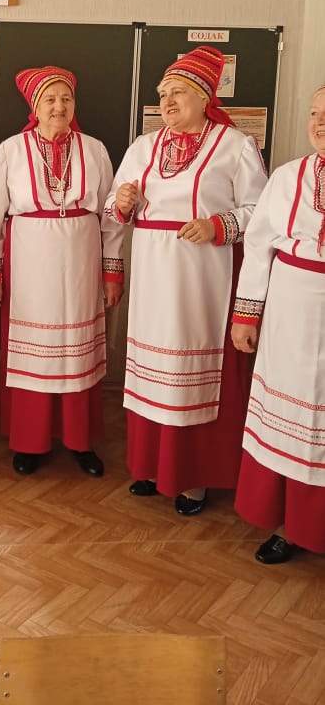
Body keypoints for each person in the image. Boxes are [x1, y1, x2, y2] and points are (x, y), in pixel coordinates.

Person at [105, 46, 267, 515]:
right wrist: (123, 203)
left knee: (190, 375)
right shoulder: (143, 147)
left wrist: (218, 226)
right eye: (163, 94)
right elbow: (113, 207)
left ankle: (193, 478)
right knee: (151, 370)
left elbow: (260, 212)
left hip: (202, 277)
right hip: (153, 274)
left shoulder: (235, 146)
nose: (168, 102)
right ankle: (151, 467)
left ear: (204, 97)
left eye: (178, 92)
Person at [0, 66, 125, 478]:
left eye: (66, 98)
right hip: (29, 265)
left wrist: (112, 272)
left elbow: (111, 216)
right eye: (50, 99)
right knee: (34, 350)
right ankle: (30, 441)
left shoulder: (94, 149)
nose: (59, 106)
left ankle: (79, 440)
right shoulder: (11, 149)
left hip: (81, 264)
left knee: (77, 347)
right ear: (34, 107)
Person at [230, 84, 325, 563]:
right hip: (290, 312)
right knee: (289, 418)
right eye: (314, 113)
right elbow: (258, 247)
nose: (319, 123)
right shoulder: (288, 177)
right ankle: (289, 525)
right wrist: (246, 314)